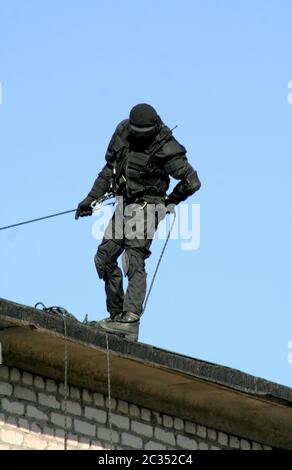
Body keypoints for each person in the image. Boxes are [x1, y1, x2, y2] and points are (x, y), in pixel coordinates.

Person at [75, 103, 201, 341]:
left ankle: (130, 319)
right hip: (124, 204)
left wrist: (168, 202)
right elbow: (108, 170)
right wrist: (90, 200)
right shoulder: (123, 132)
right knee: (104, 258)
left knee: (133, 258)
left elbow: (192, 181)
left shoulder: (165, 145)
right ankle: (116, 317)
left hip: (147, 206)